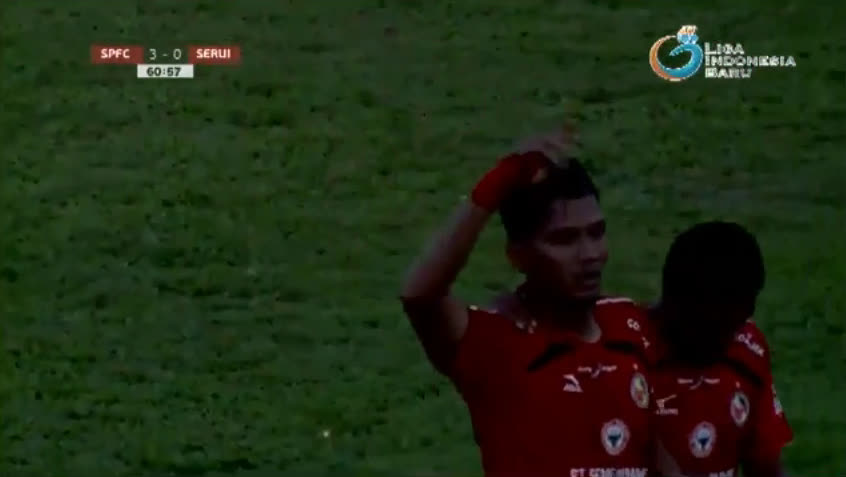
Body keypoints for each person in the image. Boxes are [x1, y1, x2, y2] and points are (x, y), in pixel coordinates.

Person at [400, 130, 655, 477]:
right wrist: (494, 185)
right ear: (518, 256)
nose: (590, 255)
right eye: (564, 240)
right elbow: (420, 295)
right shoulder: (498, 344)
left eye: (596, 233)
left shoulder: (632, 325)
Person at [649, 221, 792, 477]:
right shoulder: (625, 356)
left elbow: (766, 465)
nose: (728, 339)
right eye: (715, 327)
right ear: (673, 303)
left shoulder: (747, 352)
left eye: (735, 324)